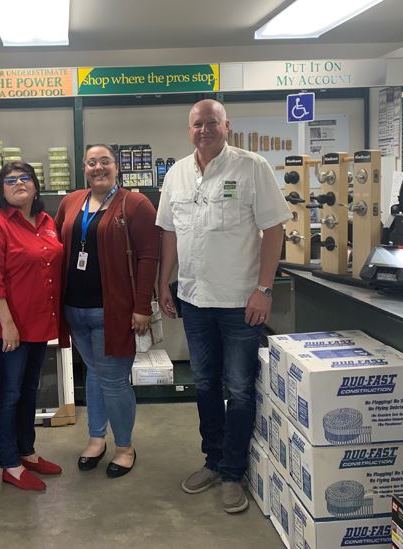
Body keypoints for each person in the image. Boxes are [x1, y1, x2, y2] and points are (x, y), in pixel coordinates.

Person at [155, 99, 291, 513]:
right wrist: (163, 283)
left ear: (226, 126)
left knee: (240, 388)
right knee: (205, 384)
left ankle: (234, 472)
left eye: (211, 123)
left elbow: (274, 229)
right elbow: (169, 233)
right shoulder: (177, 174)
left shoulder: (252, 167)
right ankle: (213, 461)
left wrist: (263, 289)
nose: (204, 130)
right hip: (194, 300)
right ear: (189, 129)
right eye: (197, 124)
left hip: (239, 302)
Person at [55, 144, 160, 479]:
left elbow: (149, 257)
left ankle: (125, 447)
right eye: (91, 162)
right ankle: (96, 439)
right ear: (84, 168)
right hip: (75, 309)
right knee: (94, 374)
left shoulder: (135, 204)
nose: (98, 167)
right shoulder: (71, 202)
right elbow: (56, 245)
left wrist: (141, 306)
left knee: (113, 380)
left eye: (105, 161)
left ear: (117, 166)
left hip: (113, 310)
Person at [0, 162, 65, 491]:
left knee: (29, 391)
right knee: (9, 394)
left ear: (36, 186)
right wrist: (8, 325)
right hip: (8, 328)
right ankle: (10, 464)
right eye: (9, 180)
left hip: (38, 323)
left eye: (25, 178)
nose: (18, 183)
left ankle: (27, 451)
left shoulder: (46, 222)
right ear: (1, 190)